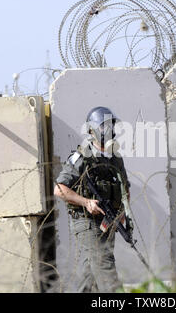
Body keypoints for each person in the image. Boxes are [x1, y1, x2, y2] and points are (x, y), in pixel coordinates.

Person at [54, 106, 132, 293]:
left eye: (111, 126)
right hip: (86, 221)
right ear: (93, 129)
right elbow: (59, 189)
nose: (110, 130)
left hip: (108, 221)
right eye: (104, 126)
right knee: (105, 266)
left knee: (89, 273)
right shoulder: (81, 157)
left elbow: (124, 189)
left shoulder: (115, 158)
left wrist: (123, 213)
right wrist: (86, 202)